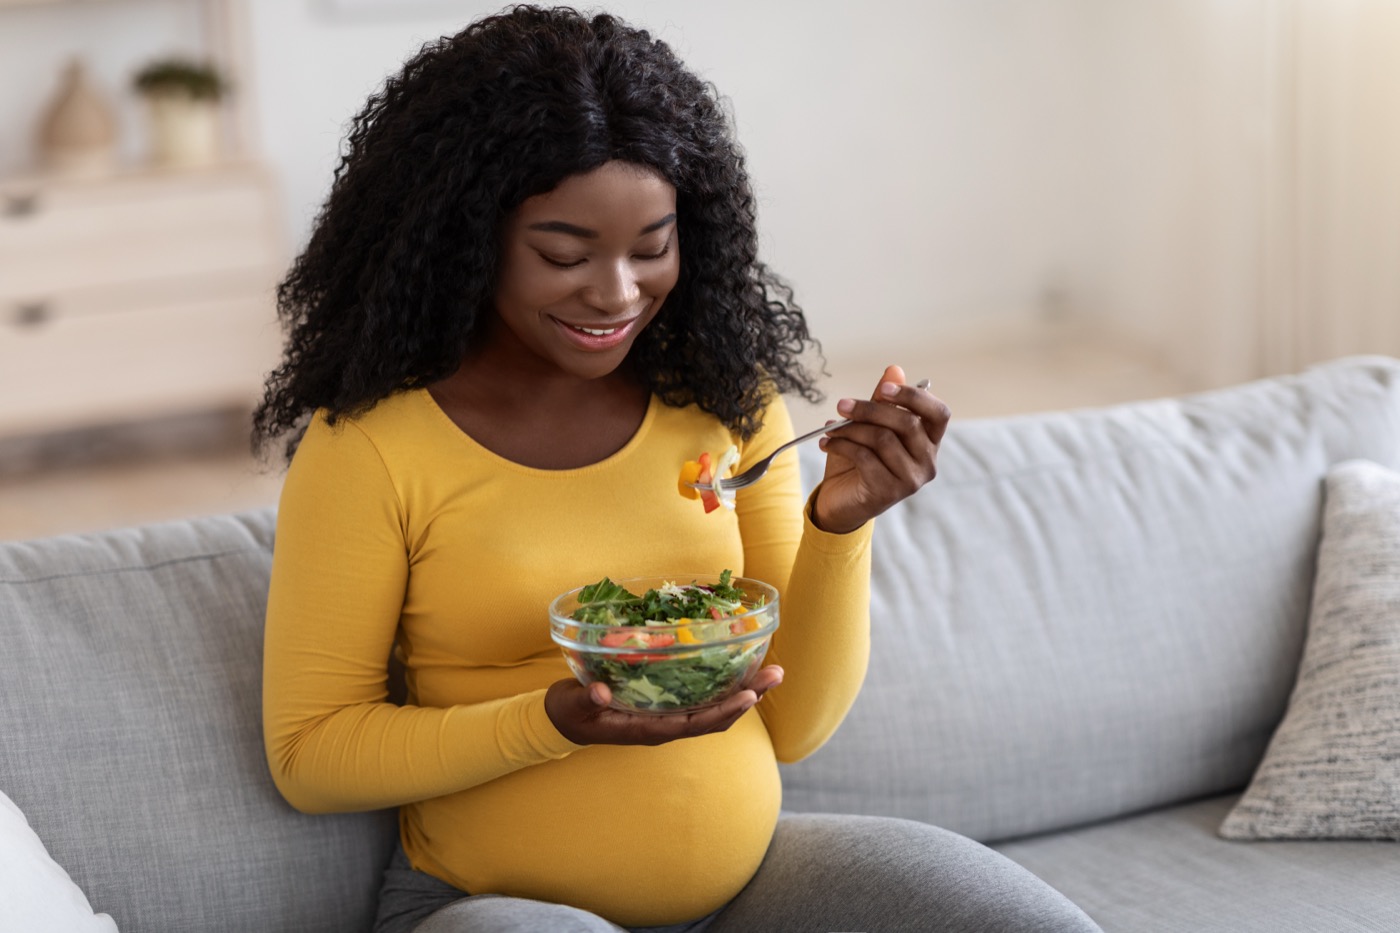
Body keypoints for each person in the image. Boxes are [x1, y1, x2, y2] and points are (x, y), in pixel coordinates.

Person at [255, 7, 1102, 932]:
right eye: (563, 254)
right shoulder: (374, 446)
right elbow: (313, 755)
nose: (617, 294)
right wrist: (550, 719)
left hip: (750, 886)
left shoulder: (724, 401)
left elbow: (798, 724)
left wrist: (839, 527)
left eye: (651, 248)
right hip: (491, 905)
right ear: (465, 238)